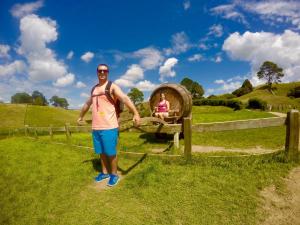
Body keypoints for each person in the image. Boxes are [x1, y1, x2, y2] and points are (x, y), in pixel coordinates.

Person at [77, 64, 140, 187]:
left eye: (104, 71)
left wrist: (136, 113)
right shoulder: (94, 89)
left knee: (111, 152)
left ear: (107, 72)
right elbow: (87, 104)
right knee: (101, 152)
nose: (102, 72)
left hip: (109, 126)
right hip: (96, 127)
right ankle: (105, 172)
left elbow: (125, 99)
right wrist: (80, 116)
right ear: (97, 72)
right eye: (100, 70)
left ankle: (114, 175)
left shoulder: (112, 86)